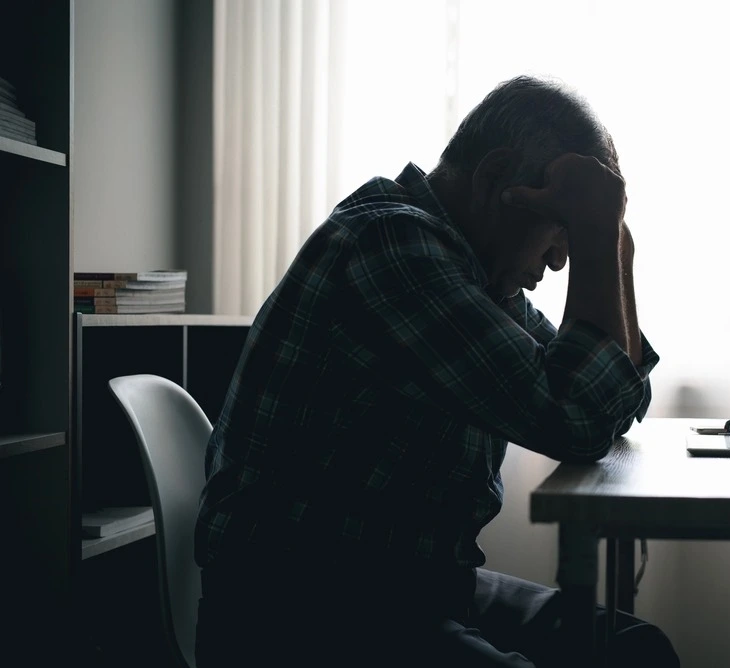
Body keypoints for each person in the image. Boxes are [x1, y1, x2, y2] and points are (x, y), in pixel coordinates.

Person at [194, 74, 680, 667]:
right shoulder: (390, 245)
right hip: (299, 605)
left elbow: (614, 400)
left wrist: (614, 242)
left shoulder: (475, 273)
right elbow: (577, 420)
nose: (560, 261)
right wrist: (598, 240)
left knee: (636, 651)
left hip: (409, 587)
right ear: (495, 178)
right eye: (562, 230)